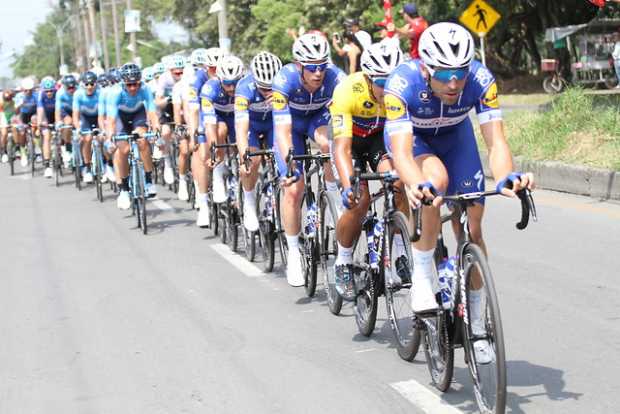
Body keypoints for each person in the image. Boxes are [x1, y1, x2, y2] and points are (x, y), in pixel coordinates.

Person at [384, 22, 534, 363]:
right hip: (415, 142)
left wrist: (507, 175)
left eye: (460, 73)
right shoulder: (401, 83)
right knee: (433, 182)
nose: (454, 83)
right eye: (444, 74)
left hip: (456, 138)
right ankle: (423, 272)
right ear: (425, 67)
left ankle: (478, 325)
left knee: (473, 227)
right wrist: (415, 184)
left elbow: (496, 141)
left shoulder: (480, 80)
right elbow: (403, 154)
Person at [330, 41, 407, 298]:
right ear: (368, 77)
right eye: (382, 83)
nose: (388, 90)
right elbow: (341, 149)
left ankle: (400, 253)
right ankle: (343, 260)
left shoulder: (401, 91)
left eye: (393, 82)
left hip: (378, 139)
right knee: (359, 201)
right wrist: (347, 184)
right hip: (350, 142)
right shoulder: (347, 91)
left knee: (397, 183)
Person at [272, 32, 345, 286]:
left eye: (322, 66)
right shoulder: (284, 80)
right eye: (312, 67)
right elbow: (281, 131)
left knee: (327, 144)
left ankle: (334, 197)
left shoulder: (336, 77)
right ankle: (293, 251)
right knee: (294, 189)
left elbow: (344, 119)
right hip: (291, 125)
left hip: (318, 120)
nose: (318, 73)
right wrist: (290, 162)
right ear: (299, 65)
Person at [235, 51, 283, 232]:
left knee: (284, 157)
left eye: (272, 87)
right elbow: (240, 127)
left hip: (273, 124)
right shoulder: (243, 87)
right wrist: (243, 156)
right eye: (264, 88)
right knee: (252, 160)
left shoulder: (284, 84)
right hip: (252, 126)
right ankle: (249, 201)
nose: (269, 92)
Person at [196, 55, 244, 227]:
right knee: (207, 151)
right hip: (215, 119)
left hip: (237, 118)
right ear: (219, 79)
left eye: (235, 83)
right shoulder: (210, 89)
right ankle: (205, 200)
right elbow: (210, 125)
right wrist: (215, 150)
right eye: (227, 84)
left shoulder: (245, 86)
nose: (231, 88)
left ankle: (239, 188)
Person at [104, 63, 161, 209]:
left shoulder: (145, 89)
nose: (133, 88)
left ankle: (148, 181)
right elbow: (110, 120)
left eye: (136, 84)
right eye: (129, 85)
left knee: (142, 141)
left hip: (138, 115)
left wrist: (157, 130)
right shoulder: (115, 93)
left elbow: (153, 113)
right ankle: (123, 189)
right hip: (120, 118)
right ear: (123, 83)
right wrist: (110, 138)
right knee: (123, 150)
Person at [72, 71, 101, 183]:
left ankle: (106, 164)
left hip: (98, 117)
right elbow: (75, 114)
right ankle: (87, 167)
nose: (89, 87)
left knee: (101, 138)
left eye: (92, 84)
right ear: (82, 84)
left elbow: (105, 114)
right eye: (86, 84)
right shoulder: (78, 94)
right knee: (87, 139)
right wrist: (78, 128)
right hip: (85, 119)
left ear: (96, 84)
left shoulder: (100, 93)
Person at [36, 76, 58, 178]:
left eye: (51, 91)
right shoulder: (41, 95)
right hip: (46, 117)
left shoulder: (58, 94)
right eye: (47, 91)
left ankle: (64, 149)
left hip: (56, 114)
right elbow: (40, 111)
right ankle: (48, 166)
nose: (49, 93)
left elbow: (61, 110)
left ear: (54, 90)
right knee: (47, 137)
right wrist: (39, 125)